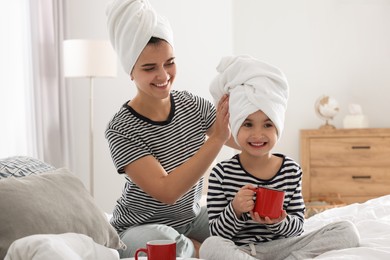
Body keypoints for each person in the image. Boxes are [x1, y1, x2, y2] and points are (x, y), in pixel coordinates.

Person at [105, 0, 236, 258]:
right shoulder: (121, 128)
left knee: (239, 224)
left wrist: (251, 102)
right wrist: (217, 139)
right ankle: (197, 249)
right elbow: (168, 191)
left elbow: (246, 139)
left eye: (169, 62)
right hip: (137, 227)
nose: (163, 75)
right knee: (164, 244)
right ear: (131, 72)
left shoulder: (193, 105)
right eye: (149, 67)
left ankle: (199, 247)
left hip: (192, 217)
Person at [199, 55, 360, 260]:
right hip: (243, 250)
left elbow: (298, 226)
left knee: (347, 230)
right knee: (210, 246)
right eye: (248, 124)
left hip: (285, 247)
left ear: (278, 128)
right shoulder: (221, 174)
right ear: (236, 126)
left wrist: (279, 222)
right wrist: (235, 210)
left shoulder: (290, 170)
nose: (258, 134)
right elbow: (218, 233)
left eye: (267, 125)